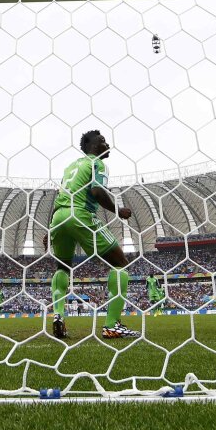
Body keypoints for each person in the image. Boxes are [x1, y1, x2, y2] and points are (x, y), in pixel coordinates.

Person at [47, 130, 138, 340]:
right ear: (93, 146)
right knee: (120, 264)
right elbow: (97, 191)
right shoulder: (97, 164)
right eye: (103, 141)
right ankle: (112, 325)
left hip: (59, 217)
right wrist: (118, 210)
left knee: (63, 267)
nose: (107, 144)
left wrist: (50, 228)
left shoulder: (71, 167)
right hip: (80, 214)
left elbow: (60, 196)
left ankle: (58, 315)